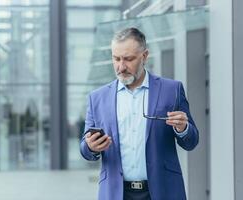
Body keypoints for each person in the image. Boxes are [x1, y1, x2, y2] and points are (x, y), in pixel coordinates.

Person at [80, 27, 199, 200]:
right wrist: (91, 146)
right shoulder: (97, 98)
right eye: (116, 59)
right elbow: (85, 149)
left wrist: (183, 128)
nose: (121, 66)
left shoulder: (171, 90)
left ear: (144, 56)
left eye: (128, 59)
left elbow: (192, 142)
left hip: (163, 191)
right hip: (116, 193)